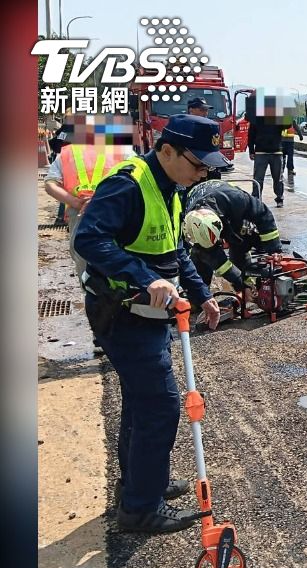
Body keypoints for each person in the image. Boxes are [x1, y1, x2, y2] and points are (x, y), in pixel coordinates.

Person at [74, 114, 225, 533]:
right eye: (198, 164)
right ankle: (141, 508)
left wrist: (203, 295)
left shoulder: (171, 188)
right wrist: (144, 277)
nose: (204, 172)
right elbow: (88, 239)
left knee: (142, 402)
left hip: (151, 316)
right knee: (160, 404)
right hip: (122, 315)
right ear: (167, 151)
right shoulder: (128, 184)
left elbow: (174, 252)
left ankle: (140, 486)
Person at [43, 115, 136, 279]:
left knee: (84, 260)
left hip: (80, 212)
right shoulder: (123, 150)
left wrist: (77, 203)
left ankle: (91, 296)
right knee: (119, 257)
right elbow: (137, 178)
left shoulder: (67, 152)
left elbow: (50, 184)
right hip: (114, 211)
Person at [183, 179, 283, 304]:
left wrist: (274, 249)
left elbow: (263, 214)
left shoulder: (236, 199)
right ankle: (200, 299)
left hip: (228, 208)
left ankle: (252, 287)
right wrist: (238, 283)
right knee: (200, 258)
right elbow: (220, 263)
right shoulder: (190, 226)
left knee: (240, 243)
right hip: (200, 200)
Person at [246, 94, 288, 208]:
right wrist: (251, 150)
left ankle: (280, 198)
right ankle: (256, 199)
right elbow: (251, 135)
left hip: (276, 152)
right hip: (260, 152)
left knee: (278, 178)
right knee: (258, 179)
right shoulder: (256, 118)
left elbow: (288, 124)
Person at [186, 97, 223, 182]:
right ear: (191, 110)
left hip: (208, 166)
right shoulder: (184, 127)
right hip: (191, 167)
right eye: (202, 110)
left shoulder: (210, 126)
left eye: (206, 110)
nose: (206, 113)